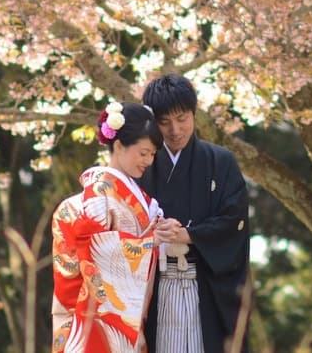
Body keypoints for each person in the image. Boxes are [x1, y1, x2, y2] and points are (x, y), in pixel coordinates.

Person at [139, 74, 250, 353]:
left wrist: (188, 234)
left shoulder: (221, 161)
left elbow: (234, 220)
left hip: (206, 286)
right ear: (154, 122)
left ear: (194, 114)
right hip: (155, 286)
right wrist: (155, 233)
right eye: (165, 122)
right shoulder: (142, 164)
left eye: (182, 118)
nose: (175, 130)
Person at [51, 101, 164, 353]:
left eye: (153, 154)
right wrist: (149, 243)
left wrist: (162, 232)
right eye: (143, 152)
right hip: (99, 320)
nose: (148, 161)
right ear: (119, 145)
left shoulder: (139, 196)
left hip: (129, 319)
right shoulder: (100, 193)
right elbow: (92, 250)